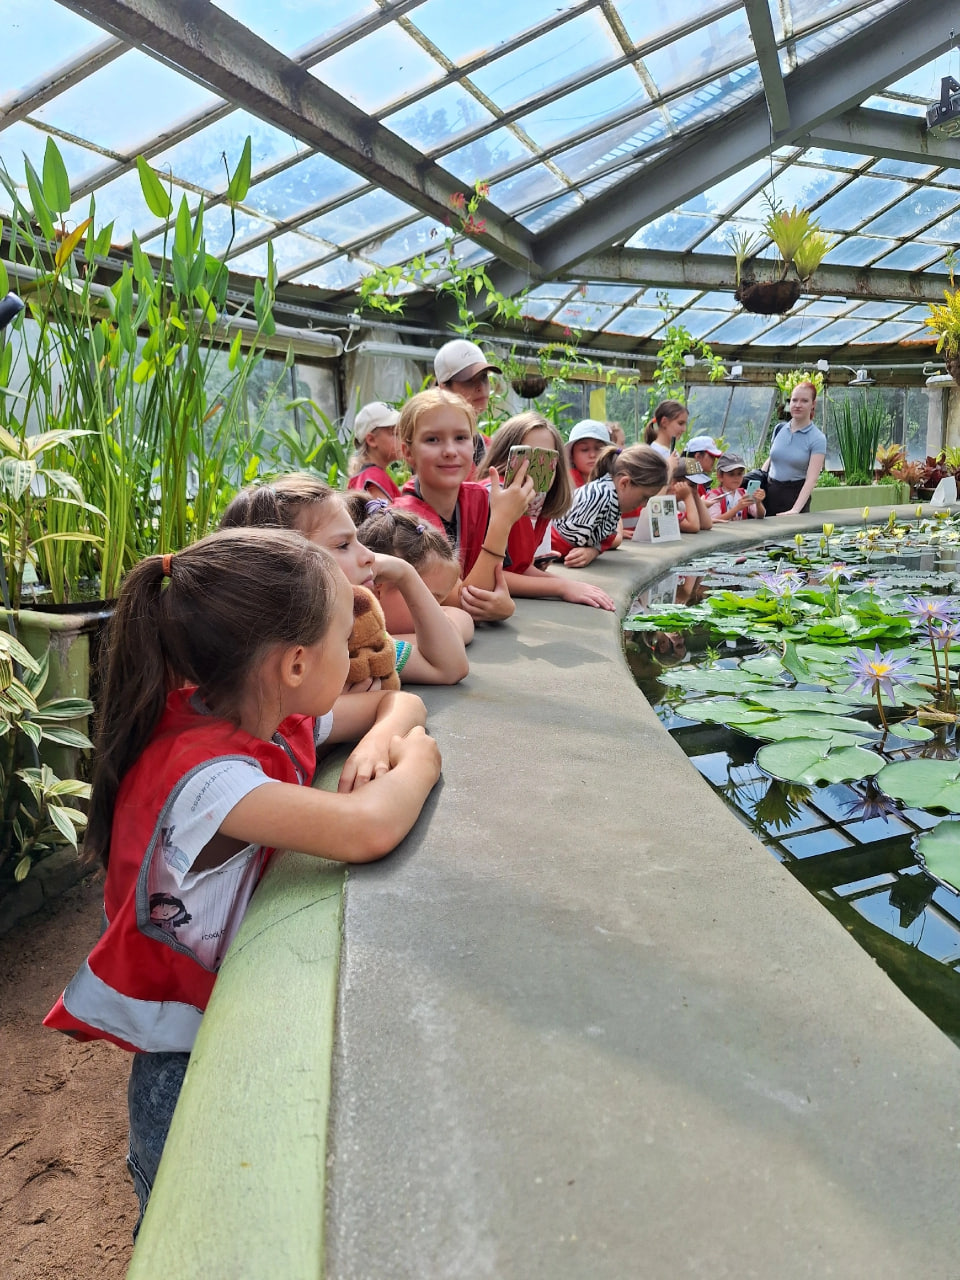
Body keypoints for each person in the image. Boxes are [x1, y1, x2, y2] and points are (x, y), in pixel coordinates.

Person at [44, 528, 441, 1231]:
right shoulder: (211, 782)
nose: (355, 640)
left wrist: (386, 732)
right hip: (183, 1063)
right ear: (294, 665)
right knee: (191, 1225)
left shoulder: (252, 713)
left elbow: (392, 704)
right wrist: (422, 760)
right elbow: (367, 829)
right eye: (339, 634)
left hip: (213, 1023)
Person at [221, 475, 469, 686]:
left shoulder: (358, 639)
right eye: (343, 545)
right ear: (280, 566)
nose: (369, 556)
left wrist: (405, 573)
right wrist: (387, 709)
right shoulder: (265, 669)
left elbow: (449, 667)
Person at [394, 388, 533, 622]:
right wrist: (502, 521)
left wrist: (505, 606)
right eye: (432, 439)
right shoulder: (405, 520)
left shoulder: (480, 499)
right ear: (408, 452)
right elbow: (462, 605)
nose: (450, 451)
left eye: (460, 438)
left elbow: (496, 582)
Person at [481, 413, 615, 610]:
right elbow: (491, 575)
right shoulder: (490, 496)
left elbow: (519, 567)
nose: (536, 467)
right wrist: (560, 586)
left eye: (546, 457)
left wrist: (570, 585)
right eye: (526, 456)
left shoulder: (540, 505)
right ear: (505, 457)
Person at [345, 496, 475, 648]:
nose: (436, 611)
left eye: (439, 602)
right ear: (377, 590)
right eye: (428, 597)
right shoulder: (359, 647)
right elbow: (447, 648)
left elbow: (462, 618)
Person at [550, 444, 670, 567]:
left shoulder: (614, 501)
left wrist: (593, 551)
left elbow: (606, 538)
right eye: (644, 497)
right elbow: (560, 541)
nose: (644, 505)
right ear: (624, 483)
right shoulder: (599, 496)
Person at [760, 380, 826, 515]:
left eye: (804, 401)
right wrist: (758, 480)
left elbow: (811, 479)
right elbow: (772, 458)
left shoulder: (817, 438)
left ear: (813, 404)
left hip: (794, 497)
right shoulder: (780, 429)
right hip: (769, 495)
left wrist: (795, 510)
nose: (797, 405)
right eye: (794, 400)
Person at [434, 338, 501, 470]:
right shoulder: (431, 447)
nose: (481, 387)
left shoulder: (489, 448)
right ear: (444, 388)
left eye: (483, 377)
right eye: (469, 380)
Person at [347, 401, 402, 501]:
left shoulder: (363, 476)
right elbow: (387, 516)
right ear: (371, 440)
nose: (402, 439)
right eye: (395, 433)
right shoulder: (374, 478)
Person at [707, 452, 766, 521]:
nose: (736, 478)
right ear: (720, 476)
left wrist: (758, 502)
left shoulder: (744, 493)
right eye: (731, 474)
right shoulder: (714, 496)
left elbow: (760, 516)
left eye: (739, 474)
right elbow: (713, 520)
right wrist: (737, 508)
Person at [668, 459, 714, 532]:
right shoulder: (665, 504)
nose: (695, 489)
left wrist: (695, 495)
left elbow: (706, 524)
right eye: (692, 485)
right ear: (675, 483)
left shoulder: (680, 504)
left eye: (696, 485)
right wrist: (687, 496)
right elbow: (693, 527)